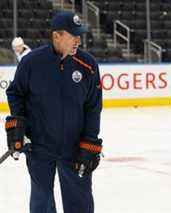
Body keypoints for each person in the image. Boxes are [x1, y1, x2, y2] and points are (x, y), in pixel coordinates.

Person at [5, 11, 103, 213]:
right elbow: (15, 93)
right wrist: (18, 123)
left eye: (79, 35)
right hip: (39, 146)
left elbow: (93, 107)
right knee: (41, 203)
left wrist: (90, 141)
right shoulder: (31, 62)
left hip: (75, 147)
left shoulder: (88, 65)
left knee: (80, 204)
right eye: (72, 35)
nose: (78, 40)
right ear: (56, 36)